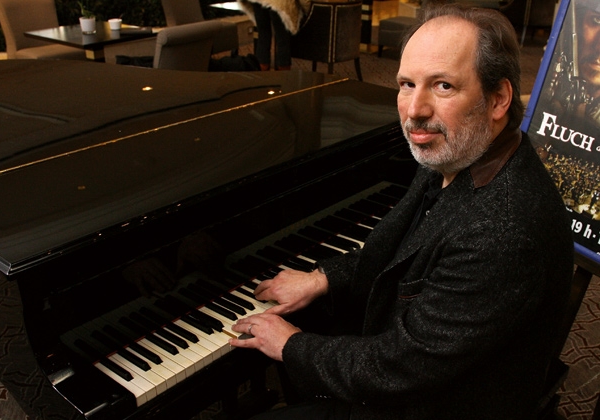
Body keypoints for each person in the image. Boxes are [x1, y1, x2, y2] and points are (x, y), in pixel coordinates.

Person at [229, 4, 574, 419]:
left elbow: (400, 367)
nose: (415, 110)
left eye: (443, 86)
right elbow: (395, 251)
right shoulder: (458, 152)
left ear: (498, 98)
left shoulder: (502, 229)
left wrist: (290, 345)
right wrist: (323, 278)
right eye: (407, 84)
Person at [237, 0, 310, 70]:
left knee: (263, 35)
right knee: (282, 39)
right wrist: (308, 9)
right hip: (280, 4)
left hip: (258, 2)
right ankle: (283, 72)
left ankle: (261, 70)